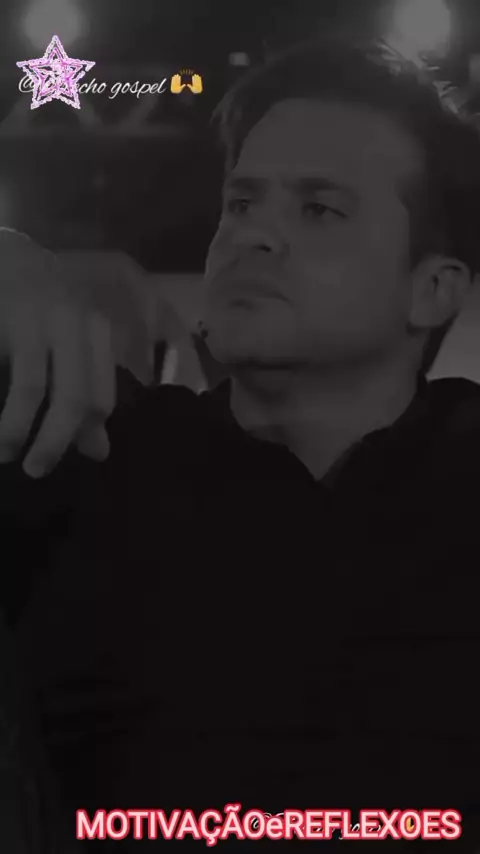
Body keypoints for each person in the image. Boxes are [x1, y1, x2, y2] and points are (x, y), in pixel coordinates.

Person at [1, 38, 480, 848]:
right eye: (242, 203)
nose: (250, 235)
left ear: (432, 289)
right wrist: (6, 255)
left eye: (318, 209)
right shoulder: (88, 448)